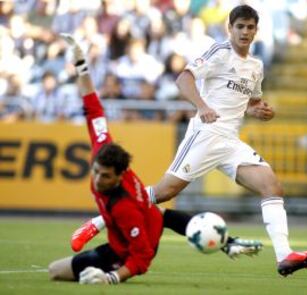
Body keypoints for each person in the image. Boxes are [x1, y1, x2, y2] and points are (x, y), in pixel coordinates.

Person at [70, 5, 307, 277]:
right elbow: (184, 79)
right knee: (166, 192)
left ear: (256, 30)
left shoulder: (256, 66)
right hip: (205, 134)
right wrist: (201, 106)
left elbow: (247, 102)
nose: (245, 32)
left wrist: (258, 110)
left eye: (250, 27)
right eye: (240, 26)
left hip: (229, 141)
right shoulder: (219, 53)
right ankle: (97, 222)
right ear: (230, 28)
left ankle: (284, 256)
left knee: (272, 186)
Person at [48, 33, 263, 285]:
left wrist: (111, 277)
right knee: (160, 215)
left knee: (56, 272)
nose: (97, 178)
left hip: (125, 250)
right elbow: (93, 106)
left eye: (105, 176)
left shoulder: (124, 206)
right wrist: (82, 66)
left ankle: (221, 240)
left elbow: (142, 258)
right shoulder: (102, 149)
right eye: (96, 171)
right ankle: (226, 241)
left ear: (119, 176)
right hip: (147, 218)